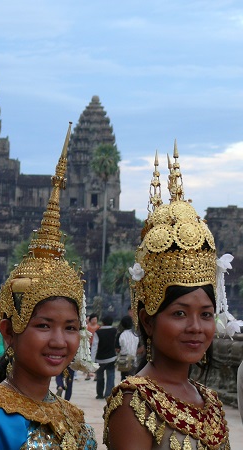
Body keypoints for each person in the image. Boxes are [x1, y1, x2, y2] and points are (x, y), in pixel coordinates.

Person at [0, 124, 97, 449]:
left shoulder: (75, 420)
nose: (60, 341)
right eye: (44, 325)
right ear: (8, 330)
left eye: (71, 327)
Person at [103, 148, 231, 449]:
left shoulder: (210, 401)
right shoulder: (133, 403)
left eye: (206, 314)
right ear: (148, 320)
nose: (196, 327)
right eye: (179, 313)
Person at [91, 315, 117, 399]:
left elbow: (94, 346)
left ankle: (99, 394)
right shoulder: (114, 330)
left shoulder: (98, 332)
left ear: (102, 322)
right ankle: (108, 394)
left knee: (100, 377)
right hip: (111, 357)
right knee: (111, 376)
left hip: (100, 358)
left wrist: (92, 360)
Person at [115, 315, 138, 380]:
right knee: (132, 378)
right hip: (134, 359)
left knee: (124, 378)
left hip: (124, 359)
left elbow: (117, 349)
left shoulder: (120, 335)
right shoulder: (135, 335)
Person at [85, 313, 100, 380]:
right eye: (93, 319)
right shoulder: (87, 327)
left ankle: (96, 375)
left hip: (96, 347)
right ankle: (88, 374)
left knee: (96, 362)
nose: (94, 321)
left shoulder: (98, 327)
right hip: (88, 346)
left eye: (96, 320)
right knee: (88, 361)